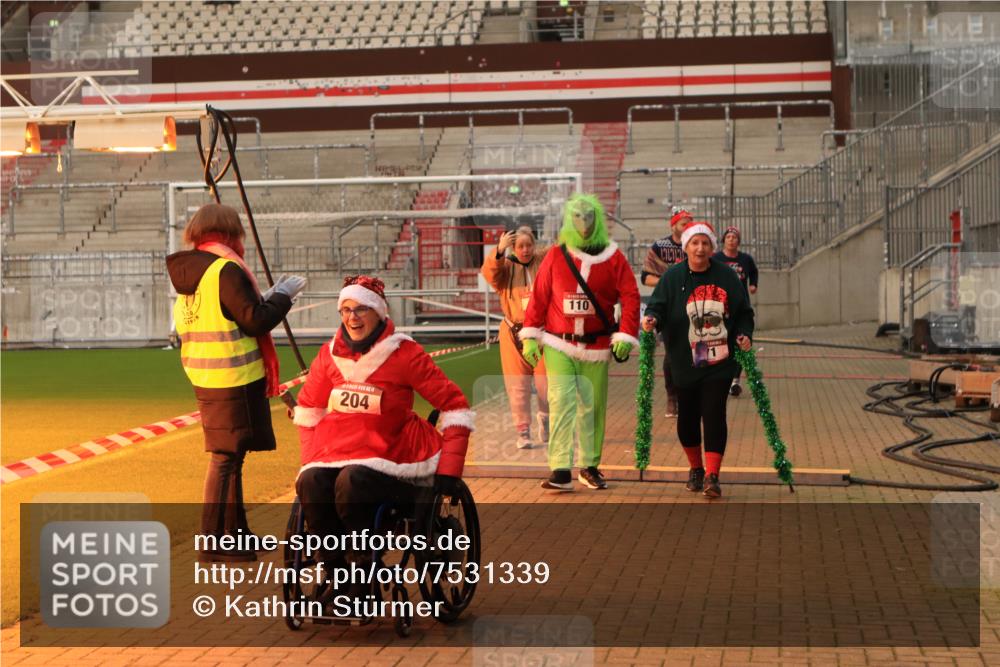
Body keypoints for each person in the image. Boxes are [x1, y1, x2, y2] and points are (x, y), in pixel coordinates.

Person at [292, 275, 474, 598]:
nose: (352, 317)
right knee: (310, 482)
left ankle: (364, 574)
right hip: (338, 456)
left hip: (393, 460)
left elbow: (455, 405)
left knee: (351, 482)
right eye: (345, 310)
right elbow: (307, 409)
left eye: (361, 308)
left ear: (379, 312)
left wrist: (449, 471)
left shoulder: (404, 353)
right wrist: (312, 460)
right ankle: (337, 575)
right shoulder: (328, 356)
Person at [167, 203, 307, 562]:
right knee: (225, 459)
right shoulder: (224, 270)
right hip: (235, 374)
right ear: (229, 233)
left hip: (207, 374)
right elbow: (254, 320)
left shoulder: (191, 273)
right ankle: (214, 539)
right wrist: (282, 297)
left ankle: (235, 534)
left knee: (231, 456)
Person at [519, 193, 640, 491]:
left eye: (589, 216)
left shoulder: (613, 258)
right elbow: (540, 296)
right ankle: (560, 468)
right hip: (560, 343)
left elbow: (630, 294)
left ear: (597, 219)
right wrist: (531, 335)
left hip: (597, 346)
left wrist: (626, 333)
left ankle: (589, 466)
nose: (583, 223)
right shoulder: (556, 256)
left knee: (593, 406)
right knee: (561, 402)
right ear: (568, 220)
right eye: (577, 216)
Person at [641, 220, 754, 499]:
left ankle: (712, 476)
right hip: (683, 359)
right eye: (694, 243)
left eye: (705, 243)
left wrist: (743, 333)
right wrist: (652, 320)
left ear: (712, 247)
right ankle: (696, 469)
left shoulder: (727, 276)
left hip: (719, 360)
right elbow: (657, 306)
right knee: (688, 417)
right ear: (685, 246)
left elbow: (744, 312)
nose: (700, 248)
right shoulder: (673, 277)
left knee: (714, 413)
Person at [481, 225, 548, 449]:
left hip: (542, 333)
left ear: (534, 246)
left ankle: (545, 418)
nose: (525, 250)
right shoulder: (506, 267)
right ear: (513, 248)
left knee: (545, 383)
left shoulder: (544, 261)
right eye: (520, 246)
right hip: (513, 333)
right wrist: (498, 251)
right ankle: (523, 431)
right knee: (517, 386)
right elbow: (489, 273)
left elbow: (565, 251)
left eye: (529, 245)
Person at [641, 207, 693, 418]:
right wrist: (669, 282)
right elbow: (645, 277)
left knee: (693, 351)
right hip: (669, 306)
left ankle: (688, 396)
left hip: (694, 305)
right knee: (671, 353)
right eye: (683, 223)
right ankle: (672, 396)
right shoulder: (660, 247)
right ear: (674, 226)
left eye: (690, 222)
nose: (688, 226)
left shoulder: (695, 244)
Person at [712, 226, 759, 397]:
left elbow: (753, 271)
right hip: (720, 307)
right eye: (728, 237)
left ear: (738, 241)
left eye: (734, 237)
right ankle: (719, 376)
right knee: (722, 341)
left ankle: (735, 380)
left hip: (740, 307)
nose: (731, 240)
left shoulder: (745, 259)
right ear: (723, 240)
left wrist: (753, 284)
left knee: (740, 341)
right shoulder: (716, 258)